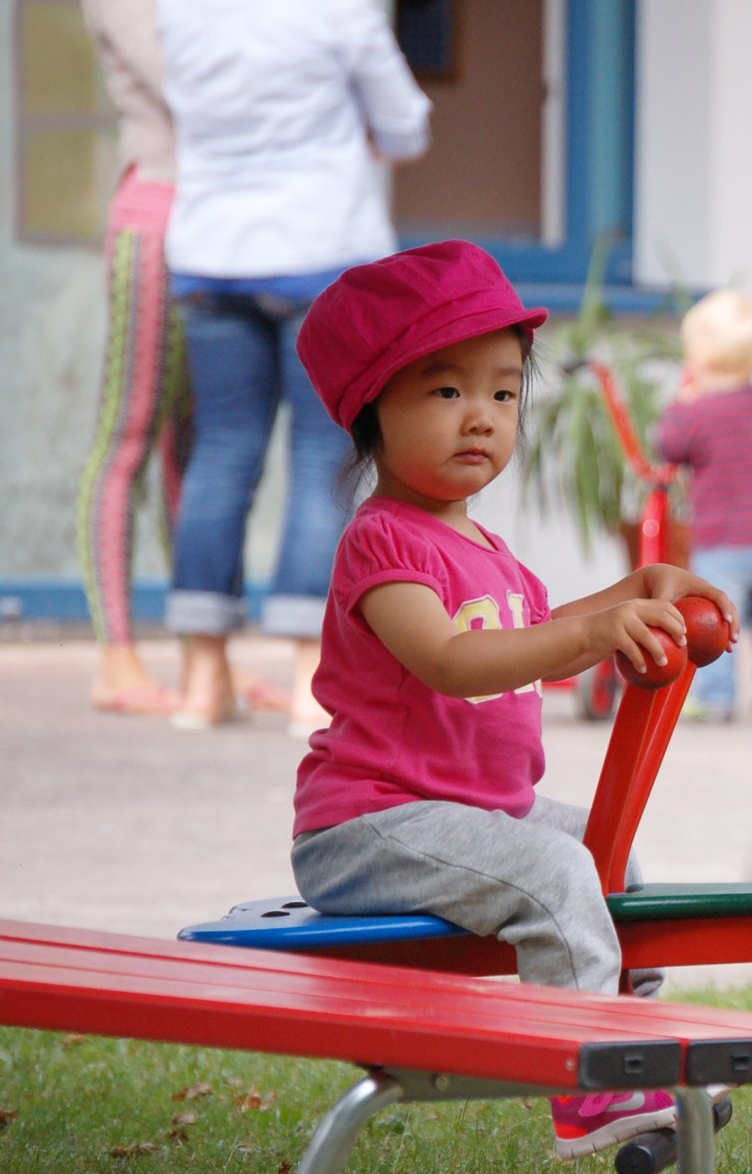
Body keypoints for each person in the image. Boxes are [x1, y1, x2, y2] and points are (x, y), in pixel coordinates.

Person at [287, 241, 737, 1158]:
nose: (481, 418)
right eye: (445, 392)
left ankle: (634, 1040)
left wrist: (633, 588)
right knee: (559, 872)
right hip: (373, 824)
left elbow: (534, 625)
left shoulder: (486, 550)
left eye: (501, 393)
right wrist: (587, 635)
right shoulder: (383, 545)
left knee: (607, 846)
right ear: (370, 408)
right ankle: (587, 1085)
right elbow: (453, 659)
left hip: (465, 811)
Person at [157, 0, 431, 735]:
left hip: (209, 253)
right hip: (321, 247)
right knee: (323, 457)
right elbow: (405, 126)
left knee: (220, 451)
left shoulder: (180, 11)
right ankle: (311, 681)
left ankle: (201, 678)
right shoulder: (337, 10)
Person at [77, 0, 192, 716]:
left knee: (197, 450)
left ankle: (202, 660)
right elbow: (187, 81)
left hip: (220, 228)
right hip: (154, 217)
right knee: (128, 439)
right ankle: (115, 660)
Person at [655, 288, 752, 723]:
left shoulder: (697, 411)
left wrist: (680, 403)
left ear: (697, 359)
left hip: (725, 538)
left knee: (717, 617)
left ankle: (717, 697)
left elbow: (667, 447)